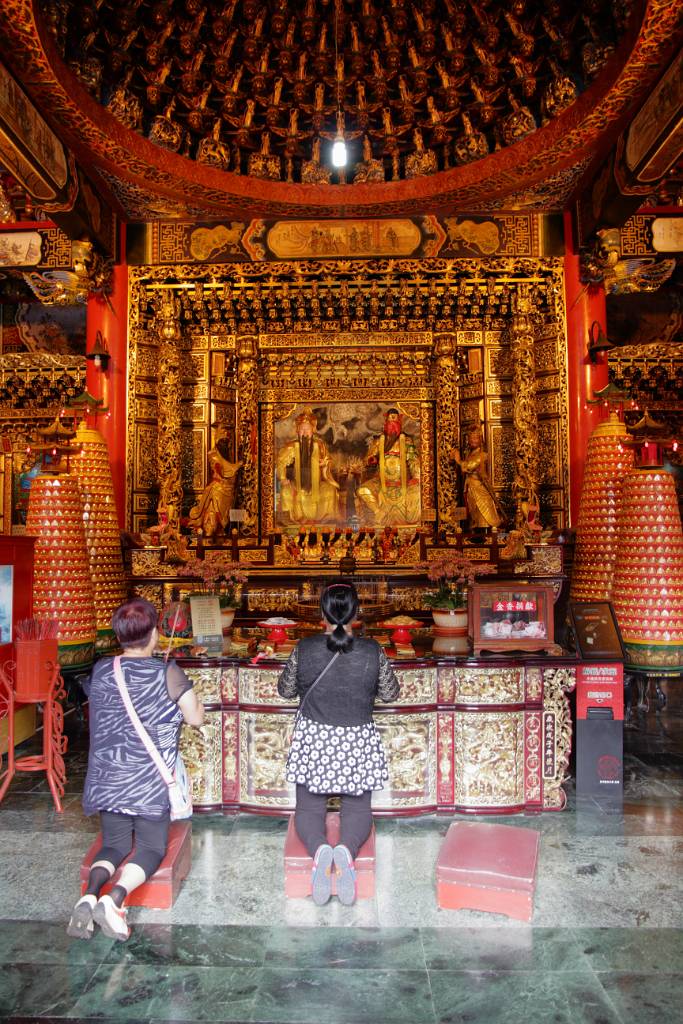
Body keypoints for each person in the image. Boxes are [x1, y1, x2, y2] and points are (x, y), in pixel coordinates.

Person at [67, 599, 204, 942]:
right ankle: (115, 899)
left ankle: (88, 896)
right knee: (150, 848)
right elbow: (195, 717)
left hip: (108, 775)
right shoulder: (166, 673)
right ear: (155, 634)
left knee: (113, 845)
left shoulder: (102, 669)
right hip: (147, 781)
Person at [277, 581, 399, 906]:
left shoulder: (304, 648)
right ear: (357, 613)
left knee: (308, 807)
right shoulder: (373, 651)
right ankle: (345, 850)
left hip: (315, 738)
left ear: (322, 614)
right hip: (357, 736)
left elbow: (286, 690)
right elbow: (390, 693)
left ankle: (320, 851)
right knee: (358, 807)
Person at [356, 408, 421, 525]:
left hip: (402, 482)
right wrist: (371, 460)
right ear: (385, 423)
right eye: (390, 422)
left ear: (399, 423)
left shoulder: (406, 441)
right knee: (362, 490)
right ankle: (377, 511)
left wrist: (416, 476)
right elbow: (367, 459)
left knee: (419, 492)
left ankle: (413, 522)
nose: (392, 424)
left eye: (395, 422)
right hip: (381, 482)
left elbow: (413, 460)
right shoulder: (378, 442)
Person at [276, 407, 340, 524]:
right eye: (302, 429)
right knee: (285, 491)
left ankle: (327, 517)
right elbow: (280, 462)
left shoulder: (319, 445)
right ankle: (291, 519)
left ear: (313, 430)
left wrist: (325, 464)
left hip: (316, 485)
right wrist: (283, 478)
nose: (305, 433)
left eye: (308, 429)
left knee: (330, 489)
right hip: (297, 485)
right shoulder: (291, 446)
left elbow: (328, 459)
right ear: (297, 430)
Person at [187, 427, 242, 540]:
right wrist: (237, 466)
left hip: (228, 491)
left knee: (224, 516)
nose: (225, 444)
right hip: (218, 490)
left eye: (226, 442)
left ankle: (220, 532)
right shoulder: (213, 455)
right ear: (217, 441)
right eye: (223, 441)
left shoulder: (226, 457)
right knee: (213, 512)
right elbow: (224, 472)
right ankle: (208, 534)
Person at [451, 425, 502, 530]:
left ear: (480, 440)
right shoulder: (469, 454)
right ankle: (474, 530)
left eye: (476, 438)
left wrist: (458, 459)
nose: (473, 440)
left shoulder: (482, 455)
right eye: (471, 438)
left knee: (483, 515)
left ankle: (485, 534)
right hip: (470, 487)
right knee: (472, 513)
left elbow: (468, 466)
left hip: (479, 489)